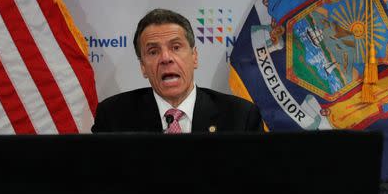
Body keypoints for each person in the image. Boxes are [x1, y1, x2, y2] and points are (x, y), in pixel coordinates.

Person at [91, 8, 263, 133]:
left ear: (194, 57)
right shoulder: (113, 116)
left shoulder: (240, 117)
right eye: (153, 51)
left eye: (175, 47)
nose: (166, 58)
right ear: (143, 67)